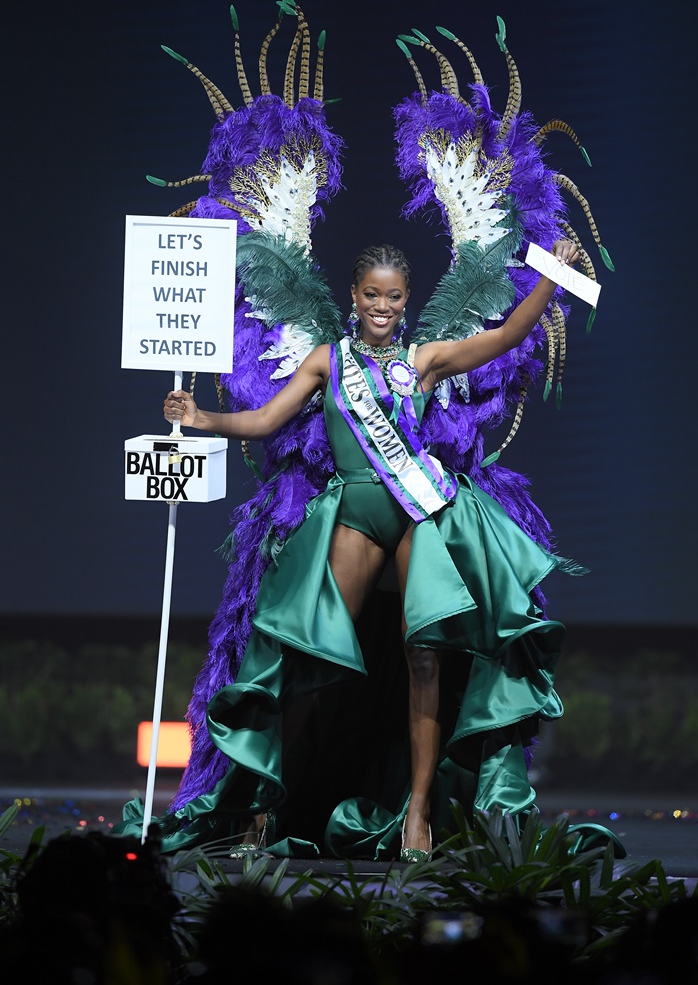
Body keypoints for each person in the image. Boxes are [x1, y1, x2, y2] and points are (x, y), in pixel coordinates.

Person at [157, 238, 579, 862]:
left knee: (426, 659)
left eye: (394, 296)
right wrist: (203, 418)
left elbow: (509, 335)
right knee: (305, 656)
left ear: (407, 303)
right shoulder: (328, 361)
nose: (383, 305)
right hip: (354, 516)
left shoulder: (426, 359)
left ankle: (418, 813)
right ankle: (268, 808)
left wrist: (552, 277)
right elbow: (267, 420)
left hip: (415, 517)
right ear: (354, 298)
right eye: (372, 294)